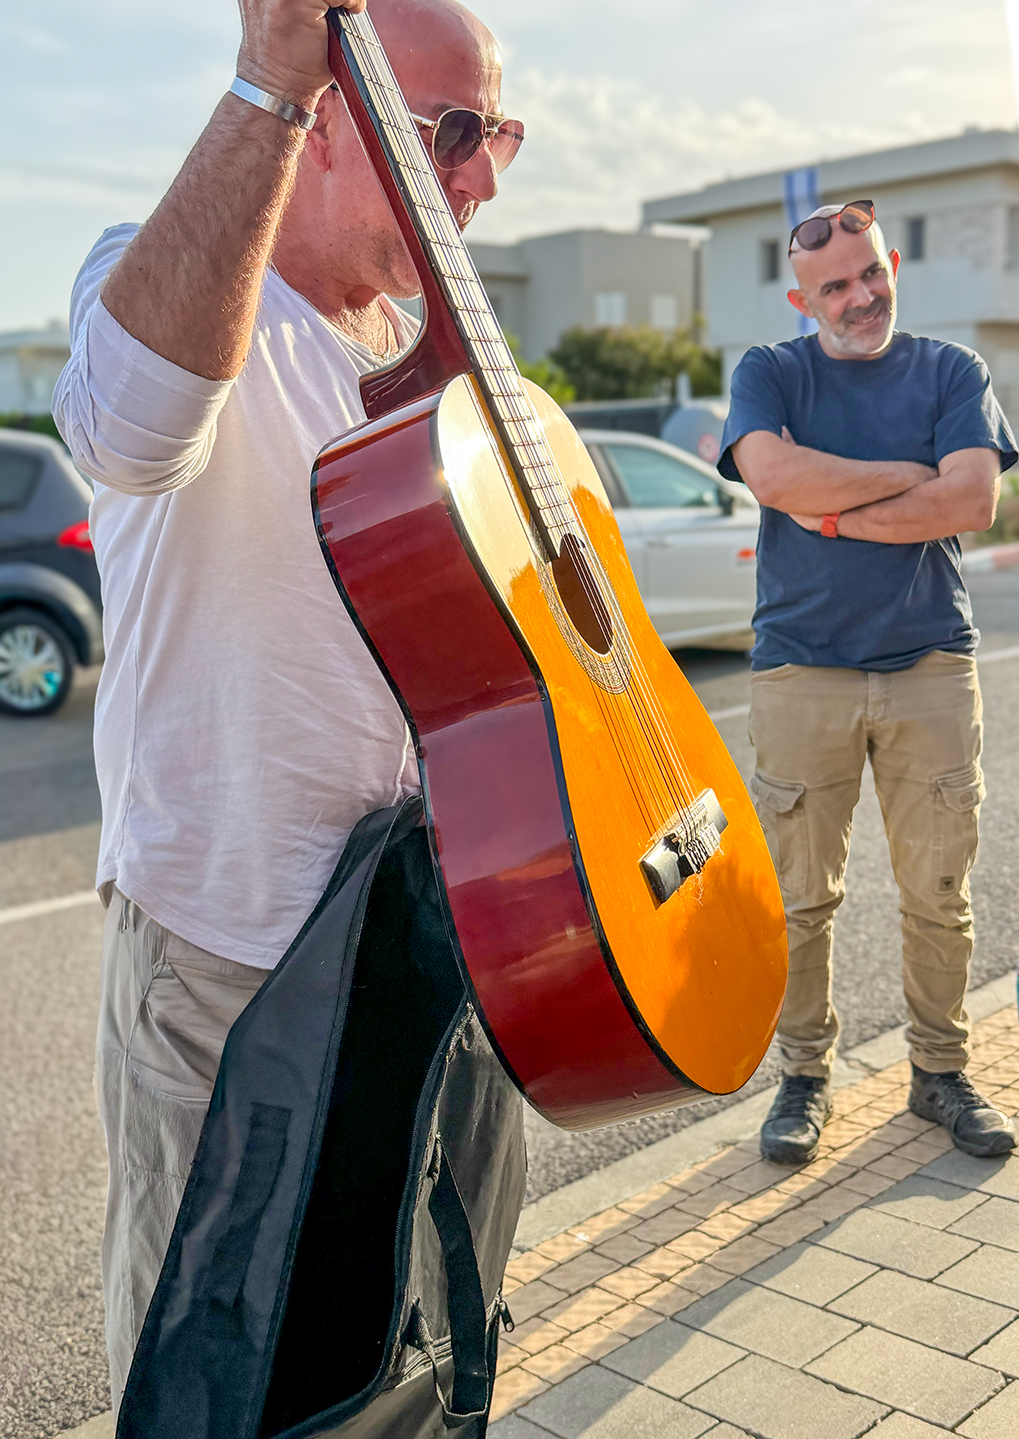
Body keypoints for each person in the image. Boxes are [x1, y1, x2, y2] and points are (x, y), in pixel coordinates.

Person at [53, 0, 523, 1407]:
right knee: (210, 1370)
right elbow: (129, 426)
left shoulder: (433, 360)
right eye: (453, 135)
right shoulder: (190, 290)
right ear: (328, 116)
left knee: (399, 1342)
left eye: (500, 135)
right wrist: (267, 72)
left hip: (429, 942)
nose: (487, 178)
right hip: (229, 955)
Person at [718, 200, 1019, 1166]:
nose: (858, 299)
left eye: (870, 275)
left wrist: (836, 509)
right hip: (803, 666)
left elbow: (972, 497)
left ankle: (940, 1071)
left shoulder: (950, 369)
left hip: (931, 661)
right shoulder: (771, 372)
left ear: (892, 264)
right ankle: (804, 1077)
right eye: (834, 287)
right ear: (804, 296)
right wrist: (905, 477)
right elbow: (771, 477)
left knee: (940, 891)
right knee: (803, 897)